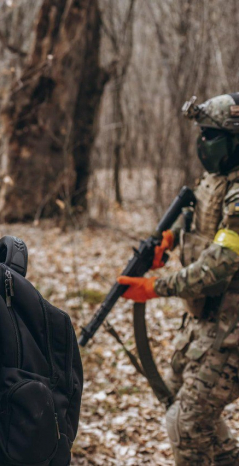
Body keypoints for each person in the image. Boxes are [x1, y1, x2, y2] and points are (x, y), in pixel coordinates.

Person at [118, 93, 239, 465]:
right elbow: (206, 230)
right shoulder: (216, 181)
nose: (203, 143)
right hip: (206, 324)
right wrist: (171, 241)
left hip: (231, 330)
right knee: (175, 400)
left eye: (211, 134)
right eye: (201, 133)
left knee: (186, 424)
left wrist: (156, 287)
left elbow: (221, 262)